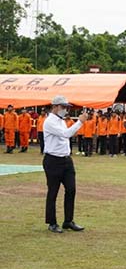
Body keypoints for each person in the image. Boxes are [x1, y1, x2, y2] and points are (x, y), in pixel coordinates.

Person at [42, 95, 88, 233]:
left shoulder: (61, 120)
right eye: (63, 107)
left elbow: (66, 135)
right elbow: (66, 134)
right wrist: (79, 122)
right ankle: (52, 222)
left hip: (66, 159)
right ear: (55, 106)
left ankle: (68, 221)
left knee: (71, 189)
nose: (65, 109)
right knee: (53, 192)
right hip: (53, 160)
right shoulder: (50, 121)